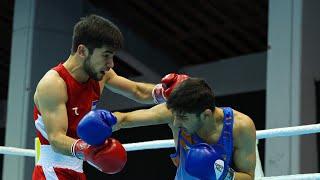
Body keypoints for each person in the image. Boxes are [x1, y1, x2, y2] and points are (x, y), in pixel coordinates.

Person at [32, 14, 187, 179]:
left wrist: (165, 92)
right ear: (82, 51)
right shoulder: (54, 84)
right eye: (106, 55)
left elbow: (137, 90)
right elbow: (56, 139)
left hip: (77, 170)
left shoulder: (100, 76)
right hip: (51, 172)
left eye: (112, 56)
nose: (111, 64)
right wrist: (89, 150)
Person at [114, 78, 256, 180]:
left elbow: (248, 177)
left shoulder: (240, 127)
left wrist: (223, 175)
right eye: (174, 116)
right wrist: (107, 121)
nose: (176, 123)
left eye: (183, 117)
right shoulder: (176, 111)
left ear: (205, 115)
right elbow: (125, 119)